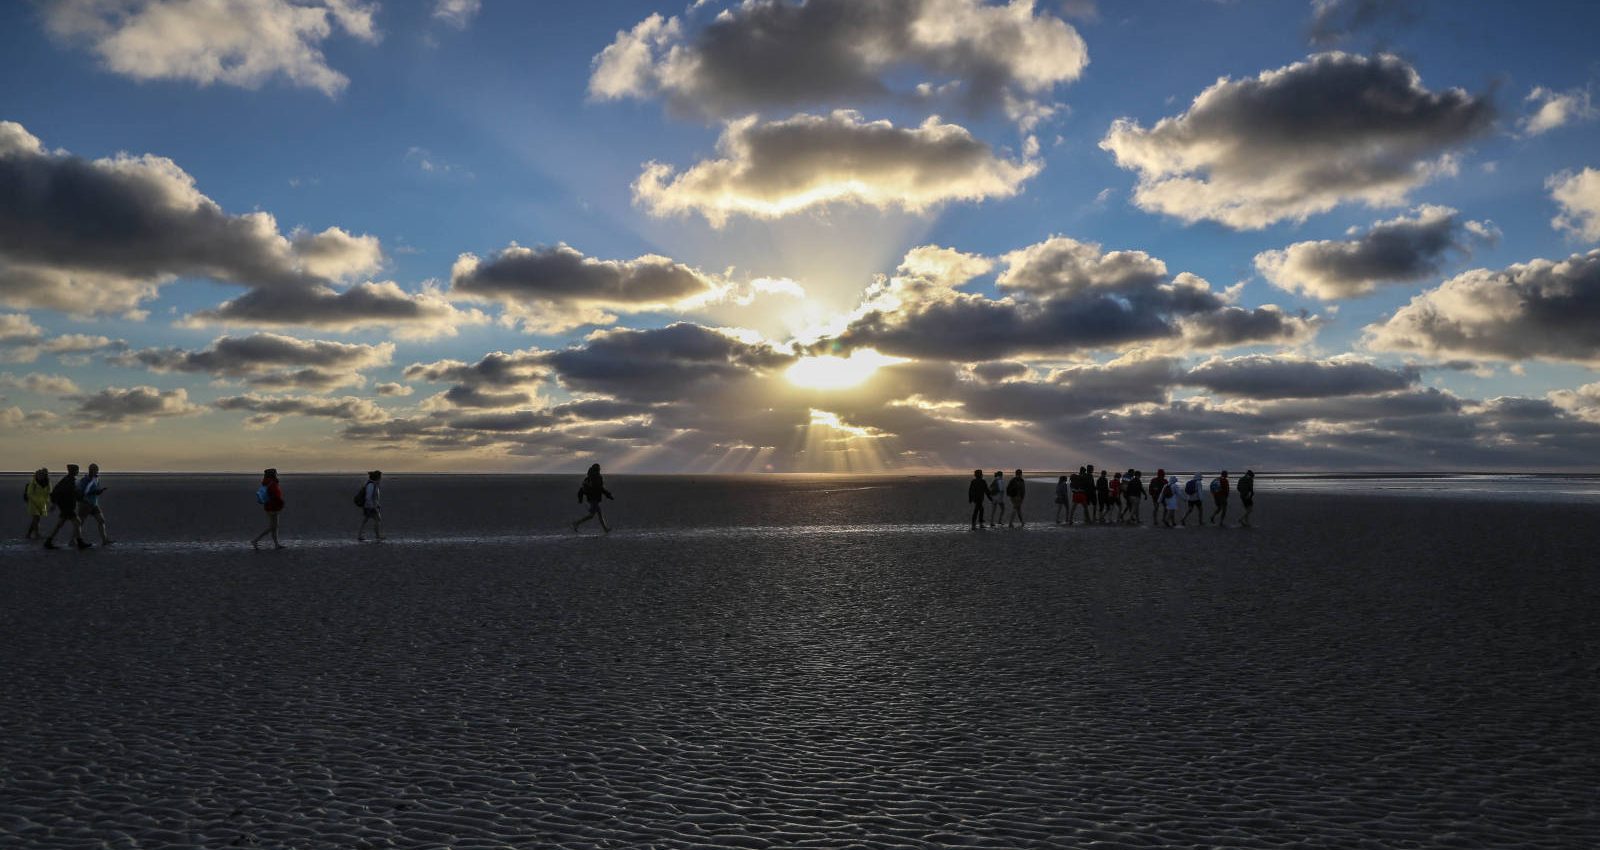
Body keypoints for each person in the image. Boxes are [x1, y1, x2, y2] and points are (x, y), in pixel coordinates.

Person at [43, 464, 89, 550]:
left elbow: (71, 493)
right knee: (77, 522)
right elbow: (64, 493)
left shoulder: (67, 480)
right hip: (67, 506)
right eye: (76, 470)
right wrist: (55, 504)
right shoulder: (69, 481)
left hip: (66, 506)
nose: (78, 472)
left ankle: (48, 541)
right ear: (73, 471)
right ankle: (80, 542)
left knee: (60, 524)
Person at [76, 463, 113, 546]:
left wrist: (99, 491)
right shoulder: (85, 480)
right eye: (94, 470)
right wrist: (96, 492)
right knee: (80, 522)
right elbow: (84, 492)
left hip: (94, 503)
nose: (95, 472)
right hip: (85, 503)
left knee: (101, 520)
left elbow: (96, 490)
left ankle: (104, 540)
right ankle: (73, 540)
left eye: (96, 470)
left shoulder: (96, 479)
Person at [572, 463, 615, 533]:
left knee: (597, 514)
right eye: (599, 469)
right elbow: (600, 489)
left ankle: (605, 529)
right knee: (592, 515)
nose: (599, 470)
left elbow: (582, 490)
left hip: (592, 499)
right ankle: (576, 523)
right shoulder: (597, 478)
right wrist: (609, 495)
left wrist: (580, 499)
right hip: (594, 499)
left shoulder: (589, 478)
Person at [252, 468, 285, 550]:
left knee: (275, 526)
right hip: (273, 507)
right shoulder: (272, 483)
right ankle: (256, 540)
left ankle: (276, 544)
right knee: (272, 527)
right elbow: (276, 495)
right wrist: (281, 503)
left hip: (269, 506)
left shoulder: (266, 483)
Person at [23, 468, 50, 539]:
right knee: (36, 518)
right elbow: (30, 493)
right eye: (40, 474)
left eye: (43, 474)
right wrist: (37, 502)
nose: (42, 476)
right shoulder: (33, 483)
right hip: (33, 503)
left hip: (42, 503)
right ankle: (36, 534)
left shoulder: (46, 482)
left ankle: (29, 534)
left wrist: (47, 500)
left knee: (37, 519)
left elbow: (48, 492)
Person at [357, 470, 384, 542]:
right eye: (380, 477)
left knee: (366, 520)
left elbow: (374, 497)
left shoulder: (373, 484)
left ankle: (360, 535)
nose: (381, 479)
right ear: (377, 477)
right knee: (377, 519)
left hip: (370, 506)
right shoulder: (371, 485)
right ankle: (377, 536)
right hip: (370, 506)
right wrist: (373, 506)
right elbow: (368, 497)